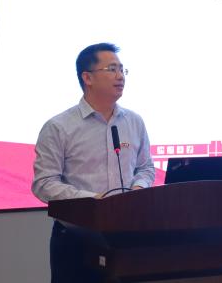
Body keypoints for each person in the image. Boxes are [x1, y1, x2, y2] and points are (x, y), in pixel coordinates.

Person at [32, 42, 155, 283]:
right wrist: (92, 200)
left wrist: (138, 189)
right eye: (111, 69)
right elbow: (44, 183)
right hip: (76, 238)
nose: (120, 76)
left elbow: (145, 167)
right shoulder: (59, 127)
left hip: (127, 235)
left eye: (122, 69)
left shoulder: (134, 121)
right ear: (87, 77)